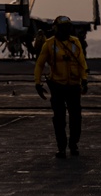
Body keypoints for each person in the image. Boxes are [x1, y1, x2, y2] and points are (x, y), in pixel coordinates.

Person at [34, 16, 89, 159]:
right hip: (57, 86)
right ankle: (62, 147)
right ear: (56, 28)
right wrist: (37, 83)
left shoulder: (75, 43)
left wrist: (84, 80)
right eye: (63, 27)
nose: (66, 29)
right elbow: (40, 64)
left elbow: (82, 63)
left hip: (74, 86)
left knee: (76, 118)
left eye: (68, 26)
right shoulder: (49, 44)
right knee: (59, 119)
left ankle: (73, 144)